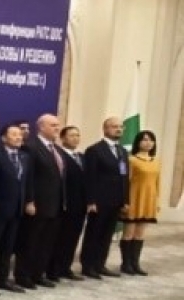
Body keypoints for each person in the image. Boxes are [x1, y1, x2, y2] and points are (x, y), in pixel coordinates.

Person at [15, 114, 65, 289]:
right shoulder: (31, 147)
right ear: (41, 127)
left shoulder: (56, 149)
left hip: (55, 204)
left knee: (46, 242)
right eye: (53, 125)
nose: (57, 128)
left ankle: (38, 273)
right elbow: (28, 177)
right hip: (37, 204)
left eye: (58, 125)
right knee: (31, 241)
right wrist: (29, 201)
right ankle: (23, 275)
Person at [0, 125, 29, 294]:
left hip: (16, 209)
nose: (18, 137)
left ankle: (2, 279)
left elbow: (25, 183)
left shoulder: (24, 157)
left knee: (7, 247)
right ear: (3, 138)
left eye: (20, 134)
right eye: (14, 134)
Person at [80, 117, 129, 279]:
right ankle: (88, 265)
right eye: (114, 126)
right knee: (94, 233)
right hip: (99, 201)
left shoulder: (122, 151)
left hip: (116, 201)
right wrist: (91, 201)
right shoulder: (95, 150)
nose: (119, 129)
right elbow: (89, 178)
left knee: (107, 235)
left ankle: (100, 264)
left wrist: (125, 200)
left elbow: (124, 177)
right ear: (105, 129)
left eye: (121, 127)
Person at [48, 126, 87, 281]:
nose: (75, 138)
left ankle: (66, 267)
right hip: (65, 204)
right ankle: (53, 269)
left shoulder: (81, 157)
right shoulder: (59, 155)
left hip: (80, 205)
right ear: (63, 138)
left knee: (73, 238)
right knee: (60, 238)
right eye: (72, 135)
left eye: (78, 135)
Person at [119, 130, 160, 276]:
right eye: (145, 140)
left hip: (148, 200)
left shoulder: (156, 161)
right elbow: (126, 182)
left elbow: (157, 183)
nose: (148, 143)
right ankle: (126, 264)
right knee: (129, 233)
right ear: (138, 142)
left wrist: (157, 201)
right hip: (134, 199)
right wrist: (125, 201)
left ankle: (135, 263)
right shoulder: (132, 160)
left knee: (140, 234)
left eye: (151, 140)